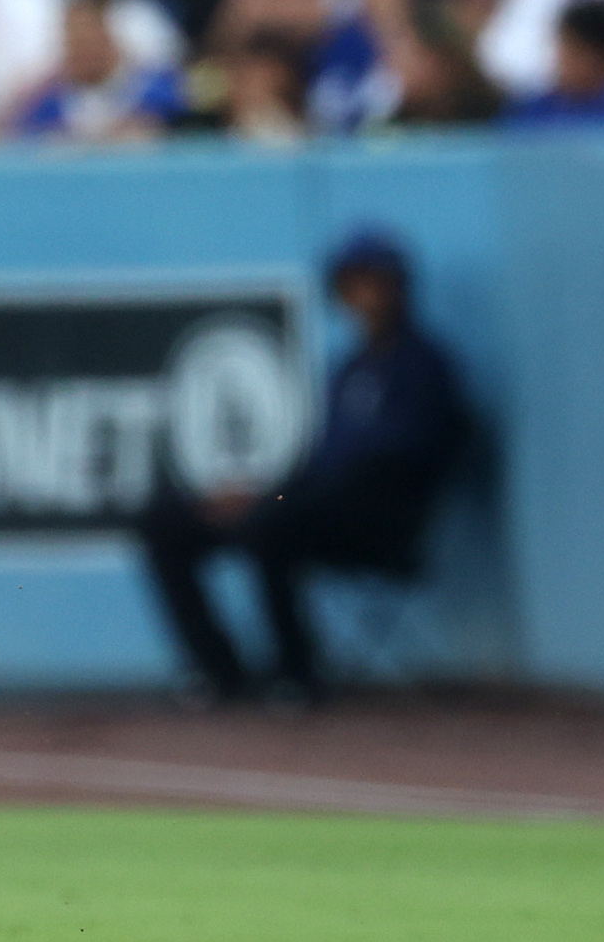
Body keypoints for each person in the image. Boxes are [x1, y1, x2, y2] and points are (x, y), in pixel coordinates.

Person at [133, 227, 469, 700]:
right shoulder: (349, 368)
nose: (364, 296)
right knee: (167, 522)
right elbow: (316, 466)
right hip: (313, 509)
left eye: (374, 282)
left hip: (375, 524)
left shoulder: (423, 366)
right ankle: (221, 673)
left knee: (273, 524)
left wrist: (276, 502)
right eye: (353, 284)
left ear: (398, 287)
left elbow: (396, 464)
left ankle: (297, 672)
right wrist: (261, 494)